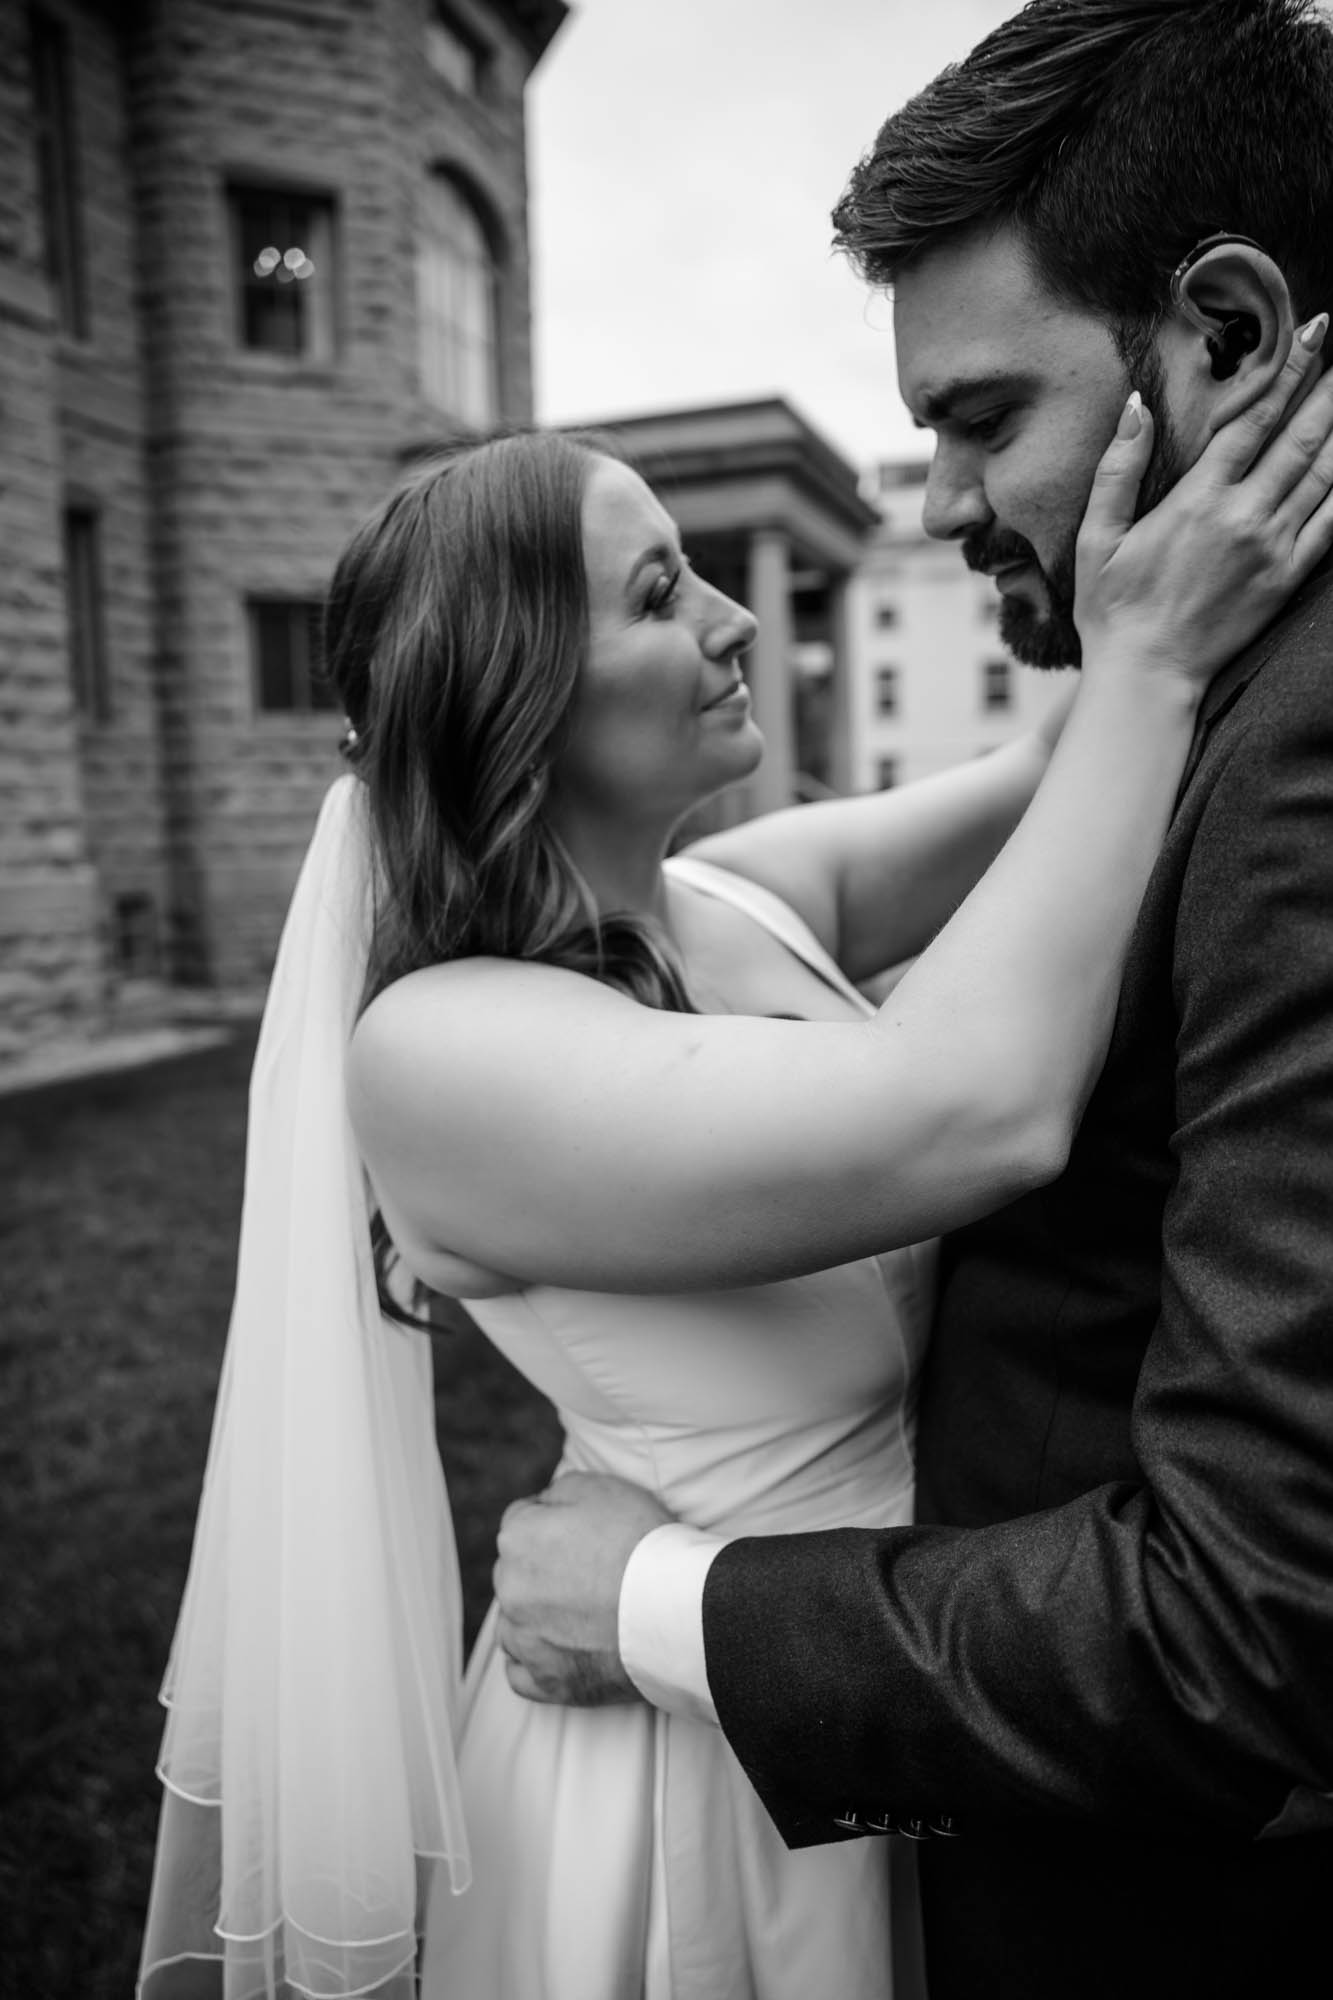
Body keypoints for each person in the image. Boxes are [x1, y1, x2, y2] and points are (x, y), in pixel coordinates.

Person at [135, 371, 1333, 1997]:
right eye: (654, 595)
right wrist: (1152, 650)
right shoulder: (438, 1054)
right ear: (519, 698)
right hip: (692, 1764)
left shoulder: (740, 899)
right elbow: (979, 1108)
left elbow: (1065, 772)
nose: (731, 621)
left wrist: (1155, 450)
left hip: (904, 1674)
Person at [490, 2, 1333, 1997]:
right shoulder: (1203, 702)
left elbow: (1251, 1621)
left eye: (977, 417)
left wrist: (669, 1605)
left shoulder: (1302, 743)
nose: (938, 501)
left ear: (1222, 336)